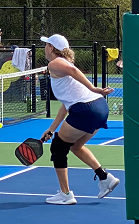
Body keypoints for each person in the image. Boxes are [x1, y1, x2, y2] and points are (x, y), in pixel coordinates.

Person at [39, 34, 118, 205]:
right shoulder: (63, 67)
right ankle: (105, 178)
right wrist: (51, 129)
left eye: (46, 45)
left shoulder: (55, 63)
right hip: (100, 108)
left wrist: (93, 88)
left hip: (87, 109)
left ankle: (65, 194)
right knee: (75, 146)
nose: (44, 47)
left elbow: (74, 71)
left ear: (51, 48)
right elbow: (66, 105)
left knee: (58, 147)